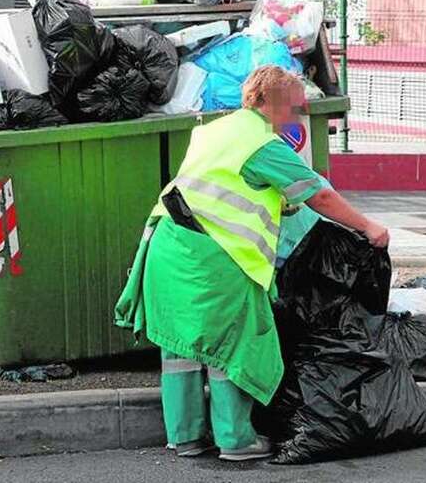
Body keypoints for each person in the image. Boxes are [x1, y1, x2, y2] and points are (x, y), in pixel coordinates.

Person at [115, 65, 389, 461]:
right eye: (292, 107)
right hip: (213, 258)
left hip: (168, 247)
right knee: (234, 346)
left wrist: (279, 201)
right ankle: (236, 440)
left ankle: (187, 437)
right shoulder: (262, 145)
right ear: (269, 104)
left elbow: (227, 185)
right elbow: (320, 196)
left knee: (185, 349)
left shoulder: (214, 131)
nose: (294, 117)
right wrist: (368, 227)